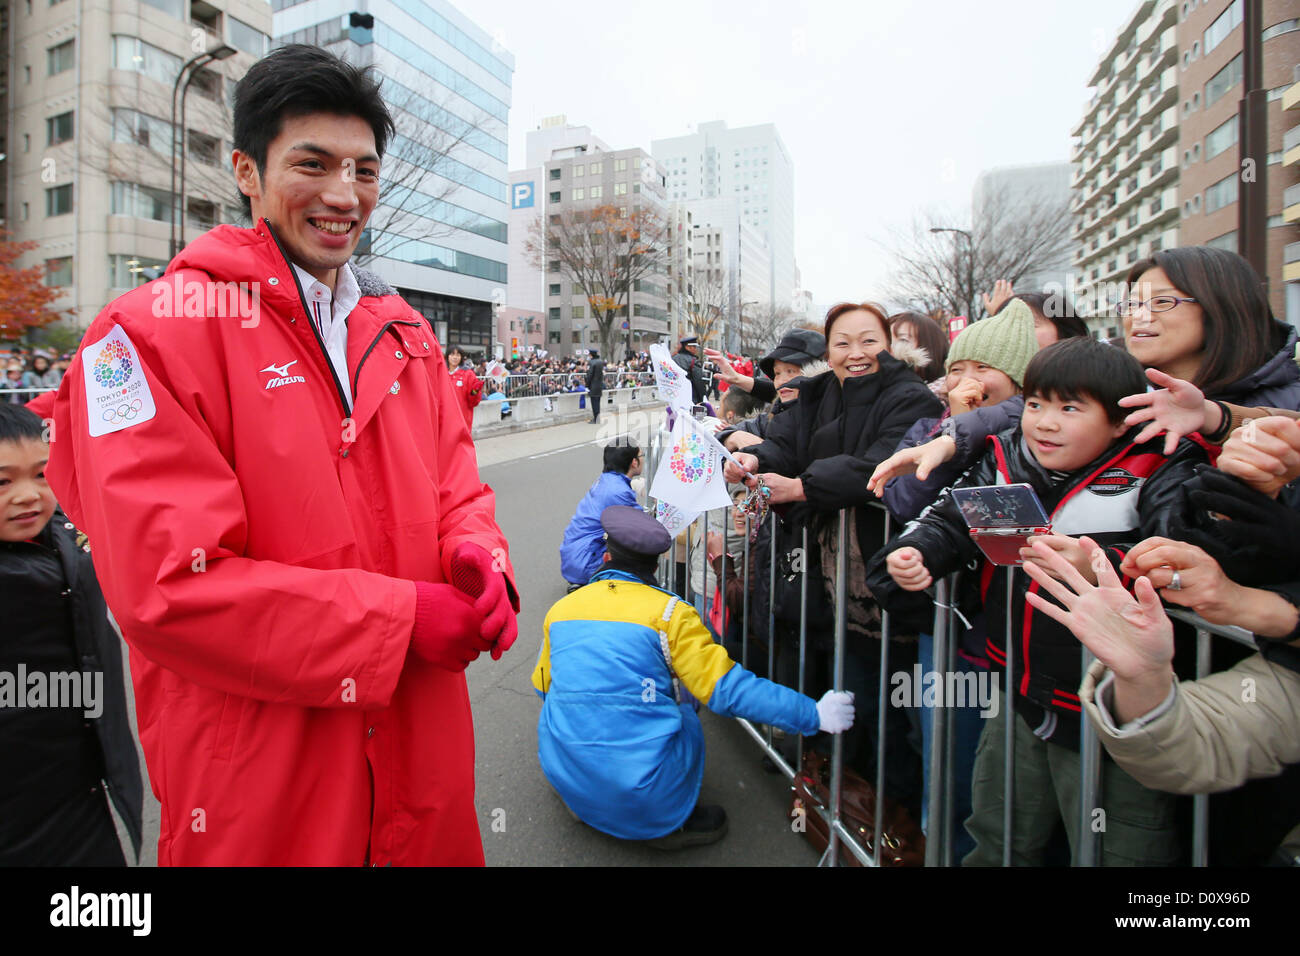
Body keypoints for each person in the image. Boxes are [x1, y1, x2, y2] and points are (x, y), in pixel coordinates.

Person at [40, 45, 519, 866]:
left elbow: (458, 484)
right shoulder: (144, 338)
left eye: (364, 170)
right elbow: (170, 586)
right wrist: (402, 622)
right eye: (313, 163)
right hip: (261, 789)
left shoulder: (405, 333)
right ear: (246, 172)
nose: (344, 194)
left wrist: (478, 554)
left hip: (420, 757)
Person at [868, 336, 1208, 866]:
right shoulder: (1007, 457)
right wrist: (915, 553)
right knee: (998, 834)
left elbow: (1180, 556)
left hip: (1116, 710)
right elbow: (953, 522)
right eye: (1036, 404)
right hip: (1019, 695)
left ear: (1120, 421)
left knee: (1118, 849)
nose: (1045, 422)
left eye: (1070, 408)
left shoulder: (1157, 464)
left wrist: (1099, 562)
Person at [722, 302, 942, 814]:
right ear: (828, 350)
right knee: (854, 697)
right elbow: (786, 443)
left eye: (868, 341)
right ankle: (857, 807)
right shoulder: (820, 393)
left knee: (892, 712)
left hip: (887, 580)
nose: (855, 353)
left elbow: (880, 466)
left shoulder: (912, 397)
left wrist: (800, 486)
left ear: (889, 343)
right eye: (842, 343)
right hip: (831, 573)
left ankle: (899, 821)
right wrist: (756, 457)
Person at [532, 505, 855, 848]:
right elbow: (729, 690)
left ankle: (588, 794)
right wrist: (813, 713)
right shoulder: (671, 614)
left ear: (607, 556)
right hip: (646, 800)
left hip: (565, 774)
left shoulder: (561, 610)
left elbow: (543, 688)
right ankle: (669, 821)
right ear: (655, 566)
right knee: (687, 711)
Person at [0, 404, 144, 866]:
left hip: (83, 787)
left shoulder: (66, 537)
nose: (28, 495)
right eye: (2, 482)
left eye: (41, 475)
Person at [559, 444, 642, 591]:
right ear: (634, 462)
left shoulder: (606, 480)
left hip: (574, 556)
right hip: (586, 563)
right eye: (642, 456)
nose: (643, 460)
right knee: (639, 542)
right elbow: (641, 523)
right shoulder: (617, 491)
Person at [445, 346, 482, 428]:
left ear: (461, 357)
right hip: (444, 415)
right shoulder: (441, 372)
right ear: (447, 356)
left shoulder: (468, 374)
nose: (455, 357)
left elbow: (474, 401)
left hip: (462, 415)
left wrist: (475, 392)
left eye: (458, 355)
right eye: (452, 354)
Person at [673, 335, 708, 406]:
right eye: (694, 347)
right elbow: (699, 382)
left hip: (675, 396)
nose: (696, 349)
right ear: (687, 347)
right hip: (691, 397)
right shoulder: (693, 361)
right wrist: (703, 398)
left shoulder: (673, 359)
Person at [585, 351, 606, 423]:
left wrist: (587, 384)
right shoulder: (600, 361)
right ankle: (598, 418)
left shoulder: (591, 362)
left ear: (591, 355)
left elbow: (589, 374)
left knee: (594, 403)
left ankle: (596, 419)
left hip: (593, 385)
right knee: (597, 402)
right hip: (599, 384)